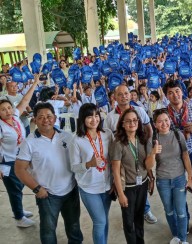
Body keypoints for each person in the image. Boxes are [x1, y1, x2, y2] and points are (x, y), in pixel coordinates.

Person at [15, 102, 83, 244]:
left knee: (74, 227)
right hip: (47, 195)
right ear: (34, 120)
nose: (46, 120)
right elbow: (19, 169)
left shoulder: (67, 137)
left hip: (70, 191)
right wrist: (37, 189)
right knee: (48, 230)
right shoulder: (29, 143)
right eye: (41, 117)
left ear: (55, 118)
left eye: (49, 116)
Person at [104, 84, 157, 224]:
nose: (123, 96)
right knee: (126, 186)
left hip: (139, 154)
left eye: (126, 93)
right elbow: (107, 140)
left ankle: (145, 210)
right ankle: (129, 216)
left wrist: (148, 148)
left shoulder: (139, 110)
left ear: (130, 94)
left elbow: (149, 130)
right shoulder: (110, 117)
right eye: (120, 94)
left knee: (142, 182)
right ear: (114, 97)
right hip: (122, 159)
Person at [163, 79, 192, 236]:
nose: (174, 95)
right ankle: (185, 218)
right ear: (167, 96)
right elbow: (163, 135)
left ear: (182, 92)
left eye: (177, 91)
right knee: (180, 190)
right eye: (170, 92)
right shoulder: (165, 114)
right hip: (175, 157)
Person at [145, 108, 192, 244]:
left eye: (166, 120)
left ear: (170, 120)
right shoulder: (152, 140)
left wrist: (190, 178)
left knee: (181, 211)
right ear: (155, 124)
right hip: (163, 181)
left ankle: (183, 240)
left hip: (179, 178)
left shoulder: (178, 135)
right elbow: (149, 166)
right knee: (169, 211)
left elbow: (185, 156)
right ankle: (176, 235)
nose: (164, 124)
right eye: (160, 122)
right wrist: (153, 152)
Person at [69, 103, 113, 244]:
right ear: (82, 119)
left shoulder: (107, 134)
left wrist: (116, 182)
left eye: (96, 115)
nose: (94, 119)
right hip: (89, 188)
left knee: (104, 220)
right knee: (99, 221)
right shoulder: (76, 140)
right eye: (89, 116)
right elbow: (74, 167)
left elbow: (113, 160)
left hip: (107, 186)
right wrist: (89, 164)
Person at [0, 74, 40, 227]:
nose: (8, 111)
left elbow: (25, 101)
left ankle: (20, 209)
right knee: (14, 189)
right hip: (7, 162)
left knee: (21, 186)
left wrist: (35, 83)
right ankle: (19, 218)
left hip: (21, 159)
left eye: (9, 107)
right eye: (3, 110)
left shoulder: (16, 117)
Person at [110, 108, 153, 244]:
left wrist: (151, 178)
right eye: (128, 121)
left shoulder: (142, 139)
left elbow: (147, 163)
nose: (132, 123)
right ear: (122, 124)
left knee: (139, 218)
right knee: (129, 222)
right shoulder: (118, 144)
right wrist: (121, 194)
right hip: (128, 188)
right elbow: (115, 170)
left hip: (143, 183)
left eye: (134, 120)